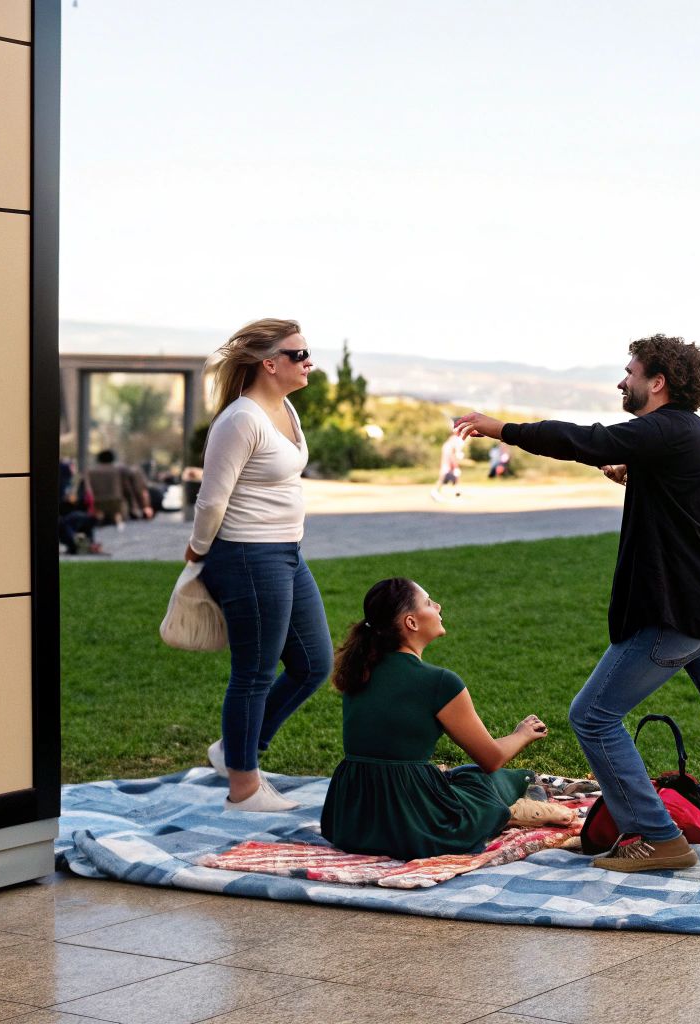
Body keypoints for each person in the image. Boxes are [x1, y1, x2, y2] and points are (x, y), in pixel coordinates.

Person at [452, 334, 700, 873]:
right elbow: (698, 517)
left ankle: (658, 837)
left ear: (658, 382)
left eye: (631, 372)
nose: (623, 381)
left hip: (677, 614)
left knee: (592, 717)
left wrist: (500, 427)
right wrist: (638, 475)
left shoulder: (667, 429)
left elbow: (586, 440)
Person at [187, 318, 333, 813]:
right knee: (254, 673)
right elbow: (212, 498)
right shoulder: (240, 419)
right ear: (269, 363)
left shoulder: (285, 407)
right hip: (248, 555)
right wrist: (198, 549)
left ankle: (233, 751)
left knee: (314, 663)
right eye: (299, 354)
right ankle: (244, 788)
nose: (308, 362)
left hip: (287, 553)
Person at [321, 577, 564, 859]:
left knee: (457, 776)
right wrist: (522, 734)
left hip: (350, 822)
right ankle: (514, 809)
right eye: (428, 602)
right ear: (411, 622)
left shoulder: (359, 671)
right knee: (485, 782)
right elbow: (491, 758)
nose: (438, 606)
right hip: (413, 826)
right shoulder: (439, 682)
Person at [431, 431, 465, 501]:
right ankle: (435, 492)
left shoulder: (447, 444)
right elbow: (450, 455)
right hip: (447, 465)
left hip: (446, 464)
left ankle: (457, 491)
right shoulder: (450, 444)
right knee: (442, 479)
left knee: (454, 477)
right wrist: (454, 465)